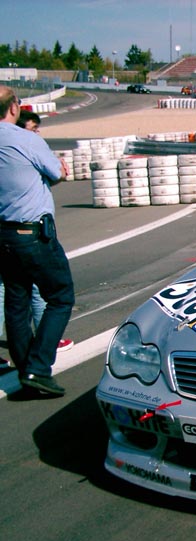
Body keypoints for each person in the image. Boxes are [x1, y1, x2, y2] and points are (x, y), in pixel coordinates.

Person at [0, 86, 75, 396]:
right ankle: (38, 367)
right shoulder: (26, 139)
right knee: (61, 296)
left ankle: (25, 369)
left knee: (16, 300)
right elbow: (57, 173)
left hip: (3, 232)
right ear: (14, 108)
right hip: (31, 232)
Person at [13, 109, 74, 352]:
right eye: (33, 129)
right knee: (47, 291)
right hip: (29, 231)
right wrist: (58, 172)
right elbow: (56, 173)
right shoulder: (26, 146)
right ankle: (45, 344)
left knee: (11, 294)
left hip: (8, 231)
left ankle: (25, 351)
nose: (37, 134)